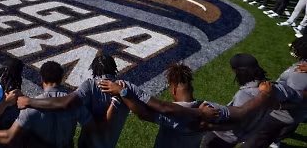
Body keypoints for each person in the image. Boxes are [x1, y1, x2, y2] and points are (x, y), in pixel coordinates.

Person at [17, 55, 219, 148]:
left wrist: (30, 101)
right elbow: (155, 107)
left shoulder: (89, 84)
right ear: (114, 70)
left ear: (94, 71)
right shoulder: (126, 87)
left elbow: (65, 104)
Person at [99, 62, 274, 148]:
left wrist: (124, 93)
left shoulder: (176, 116)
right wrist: (264, 95)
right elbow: (242, 111)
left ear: (173, 89)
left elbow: (145, 113)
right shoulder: (209, 108)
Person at [0, 61, 115, 147]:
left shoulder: (29, 107)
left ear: (42, 80)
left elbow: (9, 137)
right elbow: (94, 129)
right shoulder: (75, 105)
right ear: (61, 79)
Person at [201, 54, 302, 148]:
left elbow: (236, 121)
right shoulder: (275, 88)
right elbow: (299, 98)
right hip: (243, 135)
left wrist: (209, 125)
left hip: (222, 137)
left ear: (235, 71)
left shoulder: (245, 95)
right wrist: (277, 105)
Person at [240, 37, 307, 148]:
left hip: (278, 115)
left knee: (255, 141)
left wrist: (276, 104)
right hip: (287, 115)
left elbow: (295, 98)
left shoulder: (300, 75)